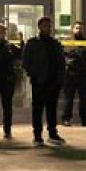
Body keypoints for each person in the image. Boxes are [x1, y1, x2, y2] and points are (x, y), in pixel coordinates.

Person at [22, 16, 66, 147]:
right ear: (39, 27)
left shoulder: (55, 44)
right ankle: (37, 136)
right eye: (45, 25)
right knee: (38, 109)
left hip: (53, 82)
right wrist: (34, 74)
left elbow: (61, 62)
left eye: (49, 25)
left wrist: (60, 79)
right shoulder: (32, 43)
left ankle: (52, 133)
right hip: (39, 82)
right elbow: (26, 61)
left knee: (52, 108)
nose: (48, 28)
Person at [61, 21, 86, 127]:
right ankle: (66, 118)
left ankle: (85, 120)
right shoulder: (67, 43)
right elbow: (61, 57)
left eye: (81, 28)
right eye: (77, 28)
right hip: (70, 74)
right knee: (68, 98)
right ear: (72, 30)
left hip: (83, 74)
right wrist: (68, 63)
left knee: (84, 99)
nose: (79, 30)